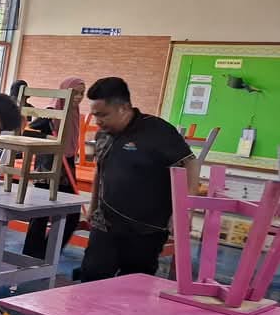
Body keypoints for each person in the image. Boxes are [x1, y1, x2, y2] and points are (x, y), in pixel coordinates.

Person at [79, 77, 198, 282]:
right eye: (95, 115)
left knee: (134, 283)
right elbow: (101, 171)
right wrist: (93, 206)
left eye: (103, 115)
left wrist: (185, 211)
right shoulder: (103, 136)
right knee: (92, 275)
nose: (98, 121)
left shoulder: (158, 131)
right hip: (106, 222)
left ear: (124, 108)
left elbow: (191, 164)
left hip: (147, 227)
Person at [21, 76, 86, 259]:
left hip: (67, 167)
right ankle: (32, 256)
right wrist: (51, 140)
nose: (78, 97)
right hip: (47, 167)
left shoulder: (73, 113)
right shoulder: (51, 112)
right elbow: (27, 132)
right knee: (41, 215)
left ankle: (46, 253)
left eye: (82, 94)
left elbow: (71, 145)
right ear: (64, 92)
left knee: (71, 215)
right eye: (75, 93)